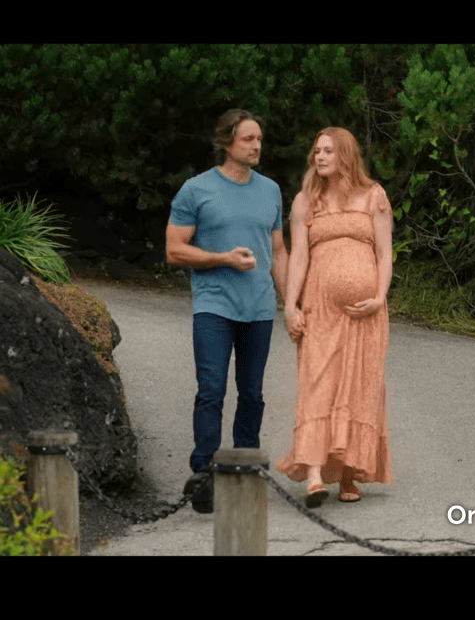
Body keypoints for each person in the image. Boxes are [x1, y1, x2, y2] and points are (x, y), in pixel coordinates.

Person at [166, 109, 287, 513]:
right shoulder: (196, 190)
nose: (256, 146)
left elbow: (279, 250)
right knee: (212, 389)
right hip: (213, 306)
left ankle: (245, 470)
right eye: (248, 139)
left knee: (252, 393)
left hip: (259, 308)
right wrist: (223, 258)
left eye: (259, 139)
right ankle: (203, 476)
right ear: (226, 142)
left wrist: (290, 302)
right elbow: (174, 250)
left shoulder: (270, 190)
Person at [275, 126, 392, 508]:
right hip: (319, 309)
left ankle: (348, 474)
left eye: (327, 150)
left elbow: (384, 254)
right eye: (317, 151)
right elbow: (299, 257)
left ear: (345, 155)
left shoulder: (374, 196)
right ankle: (313, 476)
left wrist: (379, 297)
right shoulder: (305, 201)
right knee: (317, 384)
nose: (319, 157)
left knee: (358, 387)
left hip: (365, 314)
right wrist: (290, 305)